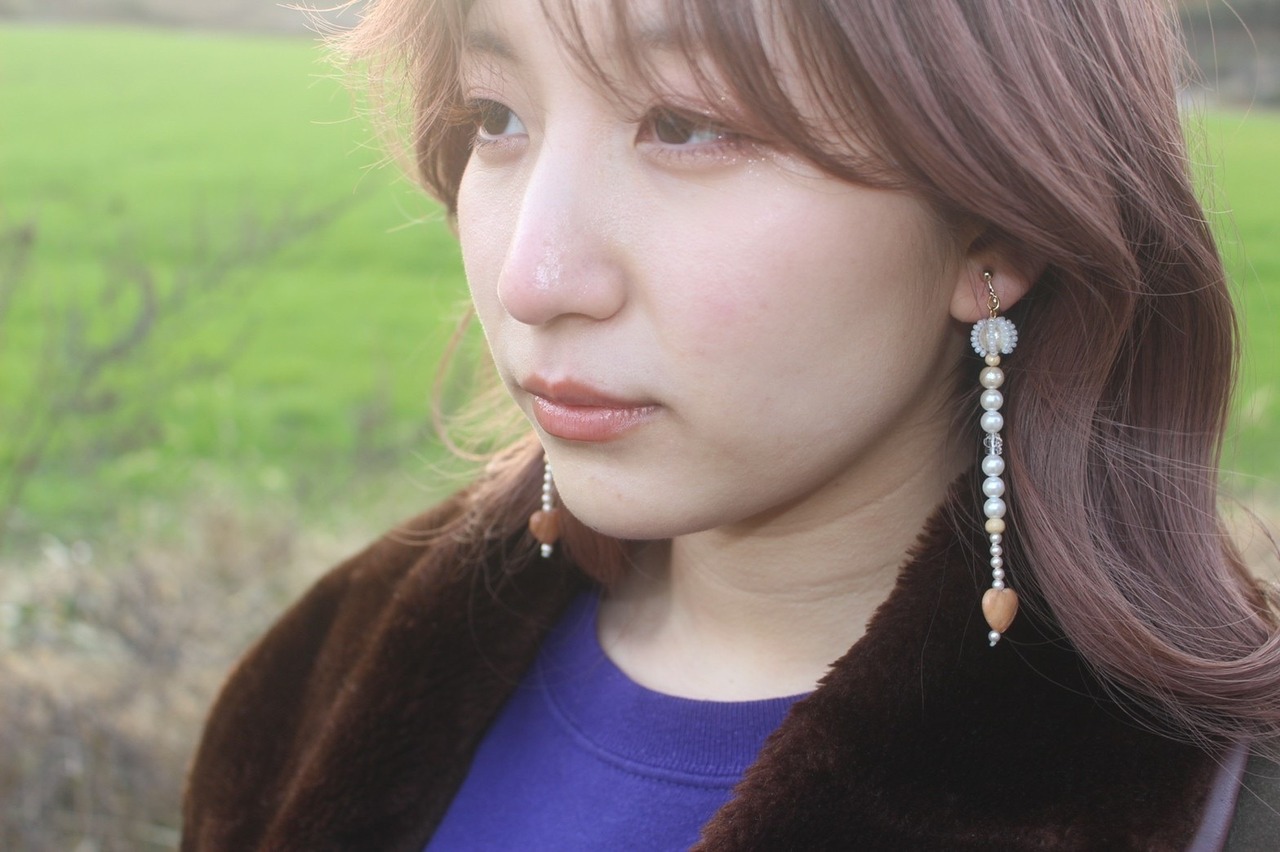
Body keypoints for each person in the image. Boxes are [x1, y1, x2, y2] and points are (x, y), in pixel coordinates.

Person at [182, 0, 1280, 849]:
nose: (531, 276)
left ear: (994, 226)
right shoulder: (322, 676)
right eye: (495, 117)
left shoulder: (1215, 801)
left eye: (686, 126)